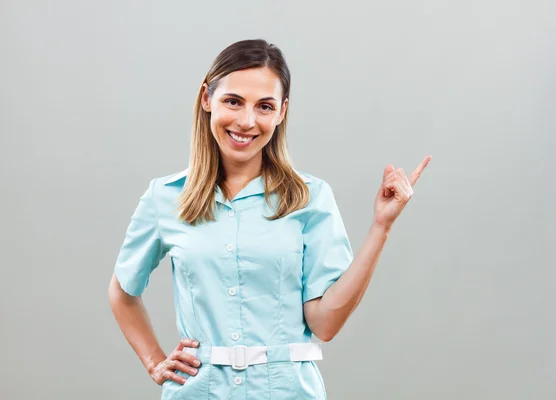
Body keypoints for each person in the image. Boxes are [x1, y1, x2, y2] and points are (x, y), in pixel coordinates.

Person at [108, 38, 431, 400]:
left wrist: (381, 227)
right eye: (233, 101)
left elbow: (325, 324)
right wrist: (154, 362)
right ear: (206, 99)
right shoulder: (165, 197)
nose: (247, 121)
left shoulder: (311, 198)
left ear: (281, 113)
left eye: (264, 106)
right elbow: (122, 292)